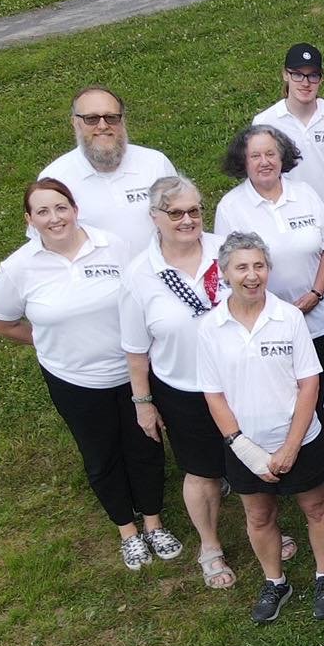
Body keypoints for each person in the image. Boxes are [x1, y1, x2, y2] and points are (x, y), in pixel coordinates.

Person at [0, 180, 174, 570]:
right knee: (100, 454)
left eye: (61, 208)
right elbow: (1, 323)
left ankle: (154, 521)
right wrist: (49, 342)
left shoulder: (113, 246)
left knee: (146, 444)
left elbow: (143, 296)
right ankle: (127, 530)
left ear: (75, 209)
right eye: (43, 212)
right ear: (29, 220)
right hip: (73, 381)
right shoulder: (19, 268)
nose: (54, 218)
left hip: (131, 372)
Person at [198, 232, 324, 626]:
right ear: (225, 272)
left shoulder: (289, 317)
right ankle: (275, 581)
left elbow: (309, 382)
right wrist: (246, 450)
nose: (252, 275)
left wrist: (292, 446)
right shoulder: (211, 327)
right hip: (247, 446)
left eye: (259, 265)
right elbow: (214, 395)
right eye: (242, 267)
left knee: (315, 506)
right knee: (259, 515)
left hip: (300, 439)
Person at [121, 175, 233, 588]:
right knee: (202, 470)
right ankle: (210, 546)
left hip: (238, 379)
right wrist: (143, 403)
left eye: (195, 210)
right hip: (183, 388)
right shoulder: (140, 275)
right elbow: (135, 350)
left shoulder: (227, 251)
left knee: (250, 458)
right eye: (176, 213)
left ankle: (265, 525)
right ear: (155, 218)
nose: (188, 220)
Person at [213, 124, 324, 378]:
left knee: (322, 388)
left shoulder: (305, 193)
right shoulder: (230, 207)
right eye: (255, 156)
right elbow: (226, 269)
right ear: (244, 161)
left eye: (271, 154)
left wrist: (316, 293)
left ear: (282, 157)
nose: (264, 162)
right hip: (265, 325)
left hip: (318, 319)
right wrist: (270, 308)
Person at [40, 87, 177, 255]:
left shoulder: (155, 163)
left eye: (111, 118)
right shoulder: (55, 178)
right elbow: (47, 249)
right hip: (97, 279)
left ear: (122, 121)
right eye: (91, 119)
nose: (103, 126)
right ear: (75, 123)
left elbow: (183, 218)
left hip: (162, 274)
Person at [252, 44, 324, 201]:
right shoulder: (265, 122)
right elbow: (257, 176)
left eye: (313, 76)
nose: (306, 83)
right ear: (285, 74)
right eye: (298, 75)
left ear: (321, 78)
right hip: (288, 215)